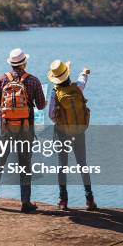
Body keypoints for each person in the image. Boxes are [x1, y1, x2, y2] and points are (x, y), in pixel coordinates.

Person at [0, 48, 46, 213]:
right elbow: (42, 105)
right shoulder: (34, 81)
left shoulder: (1, 80)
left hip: (6, 128)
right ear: (24, 63)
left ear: (11, 64)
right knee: (25, 164)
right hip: (26, 129)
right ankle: (26, 202)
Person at [47, 60, 98, 211]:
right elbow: (83, 79)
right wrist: (84, 72)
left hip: (63, 133)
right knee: (83, 164)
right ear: (67, 74)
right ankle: (89, 199)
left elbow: (51, 115)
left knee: (62, 166)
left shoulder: (55, 92)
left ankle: (63, 200)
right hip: (78, 131)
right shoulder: (77, 87)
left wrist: (60, 121)